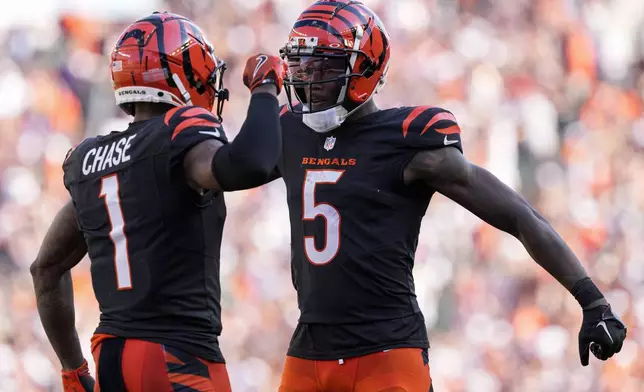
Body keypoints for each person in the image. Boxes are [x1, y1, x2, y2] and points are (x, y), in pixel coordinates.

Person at [270, 1, 627, 391]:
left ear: (364, 69)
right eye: (303, 66)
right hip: (308, 348)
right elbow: (219, 171)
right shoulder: (290, 129)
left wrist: (591, 299)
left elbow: (519, 216)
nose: (310, 81)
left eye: (324, 68)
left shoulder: (407, 141)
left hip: (385, 351)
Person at [30, 11, 286, 392]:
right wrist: (265, 91)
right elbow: (249, 164)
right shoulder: (179, 135)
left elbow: (45, 269)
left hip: (111, 356)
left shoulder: (90, 159)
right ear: (183, 75)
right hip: (177, 356)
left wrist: (72, 369)